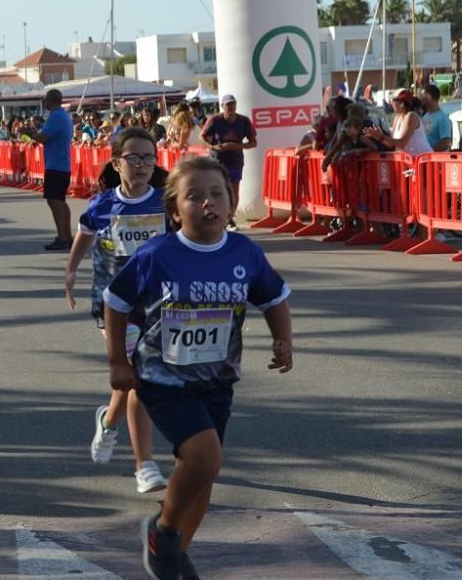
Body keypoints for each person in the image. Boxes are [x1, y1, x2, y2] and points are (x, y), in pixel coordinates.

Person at [103, 156, 292, 580]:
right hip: (162, 377)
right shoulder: (158, 254)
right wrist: (117, 360)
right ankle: (163, 530)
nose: (207, 202)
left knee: (204, 477)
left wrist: (284, 340)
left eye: (216, 194)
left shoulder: (245, 252)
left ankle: (173, 558)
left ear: (230, 203)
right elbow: (115, 301)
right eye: (194, 196)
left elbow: (275, 296)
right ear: (175, 212)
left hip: (217, 381)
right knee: (205, 457)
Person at [63, 128, 170, 494]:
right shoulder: (103, 205)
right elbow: (84, 235)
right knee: (138, 374)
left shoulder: (166, 203)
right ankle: (145, 466)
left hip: (157, 304)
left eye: (148, 158)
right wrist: (71, 270)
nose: (142, 165)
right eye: (133, 158)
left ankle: (108, 424)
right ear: (116, 162)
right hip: (114, 305)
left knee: (136, 375)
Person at [200, 94, 258, 227]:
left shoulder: (244, 121)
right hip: (216, 162)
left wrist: (237, 146)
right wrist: (212, 146)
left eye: (233, 104)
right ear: (222, 106)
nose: (231, 107)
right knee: (217, 189)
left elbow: (254, 143)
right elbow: (202, 135)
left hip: (235, 162)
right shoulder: (214, 119)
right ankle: (214, 216)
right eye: (228, 105)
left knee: (233, 191)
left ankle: (229, 219)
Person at [34, 89, 74, 250]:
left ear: (51, 100)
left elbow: (42, 137)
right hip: (61, 164)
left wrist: (29, 133)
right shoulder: (63, 116)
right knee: (60, 201)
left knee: (55, 201)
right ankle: (66, 235)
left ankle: (63, 237)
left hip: (56, 165)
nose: (45, 103)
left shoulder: (56, 116)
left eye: (46, 100)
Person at [363, 89, 433, 157]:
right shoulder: (397, 118)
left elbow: (402, 143)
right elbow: (392, 145)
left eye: (393, 101)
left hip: (424, 162)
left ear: (402, 104)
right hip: (410, 163)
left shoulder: (411, 116)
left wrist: (382, 136)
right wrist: (378, 137)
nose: (391, 103)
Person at [421, 84, 452, 152]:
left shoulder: (443, 118)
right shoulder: (424, 117)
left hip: (438, 161)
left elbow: (445, 143)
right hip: (426, 160)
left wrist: (428, 151)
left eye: (423, 95)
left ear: (428, 97)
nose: (421, 98)